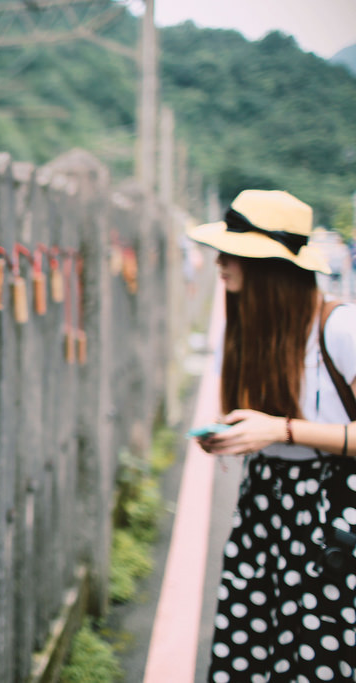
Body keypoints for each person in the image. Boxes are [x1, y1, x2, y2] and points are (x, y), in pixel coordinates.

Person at [189, 189, 356, 682]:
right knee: (256, 648)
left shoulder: (340, 327)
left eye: (233, 253)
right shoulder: (248, 327)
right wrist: (232, 435)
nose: (220, 263)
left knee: (319, 652)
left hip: (331, 510)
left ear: (270, 267)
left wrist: (281, 429)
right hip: (266, 504)